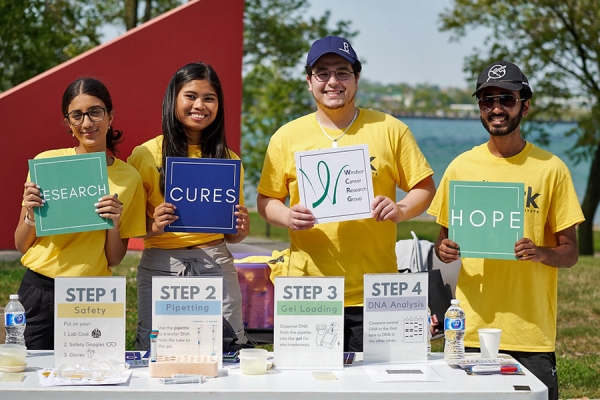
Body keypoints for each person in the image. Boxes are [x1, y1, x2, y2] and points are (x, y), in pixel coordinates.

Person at [256, 36, 436, 352]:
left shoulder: (390, 129)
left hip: (376, 291)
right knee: (307, 388)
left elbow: (424, 188)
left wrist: (400, 209)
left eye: (342, 72)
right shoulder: (286, 136)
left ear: (356, 79)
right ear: (309, 81)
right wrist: (287, 215)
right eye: (322, 73)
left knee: (377, 388)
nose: (332, 82)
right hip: (308, 291)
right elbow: (267, 200)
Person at [427, 61, 584, 400]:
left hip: (530, 334)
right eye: (487, 100)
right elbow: (442, 239)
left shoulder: (551, 169)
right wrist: (444, 249)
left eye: (506, 99)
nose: (496, 108)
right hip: (468, 332)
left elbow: (570, 252)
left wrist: (541, 252)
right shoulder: (460, 167)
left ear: (525, 105)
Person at [13, 77, 147, 350]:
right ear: (68, 123)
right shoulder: (47, 164)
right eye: (77, 115)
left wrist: (113, 223)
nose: (87, 123)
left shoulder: (129, 178)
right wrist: (30, 213)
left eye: (95, 112)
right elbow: (21, 244)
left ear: (110, 116)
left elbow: (115, 258)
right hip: (40, 289)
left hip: (93, 296)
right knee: (30, 383)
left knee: (92, 381)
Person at [127, 62, 250, 351]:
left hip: (216, 264)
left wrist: (240, 231)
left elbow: (231, 235)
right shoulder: (145, 155)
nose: (200, 105)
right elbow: (128, 228)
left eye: (209, 98)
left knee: (228, 351)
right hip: (161, 264)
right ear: (173, 99)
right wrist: (154, 225)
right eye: (191, 96)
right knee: (155, 352)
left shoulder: (229, 160)